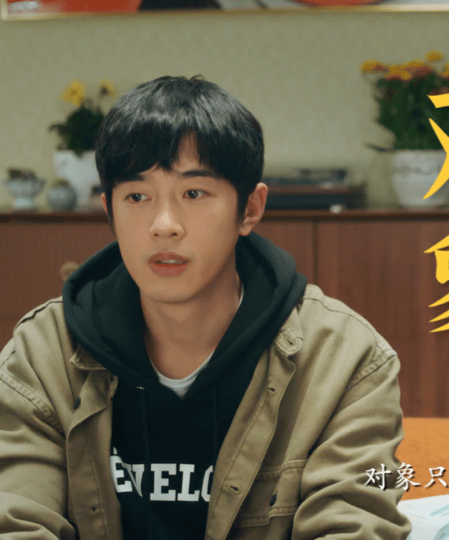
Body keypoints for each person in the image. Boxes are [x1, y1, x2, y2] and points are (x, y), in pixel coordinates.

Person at [0, 76, 411, 539]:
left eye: (194, 194)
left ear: (250, 209)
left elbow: (356, 525)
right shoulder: (43, 356)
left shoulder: (344, 359)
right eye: (137, 196)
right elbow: (15, 521)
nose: (164, 225)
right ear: (109, 210)